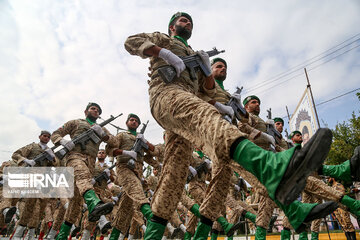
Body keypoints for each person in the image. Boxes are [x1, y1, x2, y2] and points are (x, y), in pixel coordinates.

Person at [124, 12, 333, 239]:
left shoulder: (195, 54)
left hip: (183, 109)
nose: (187, 23)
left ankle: (153, 235)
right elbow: (131, 42)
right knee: (206, 116)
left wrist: (205, 69)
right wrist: (161, 52)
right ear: (172, 26)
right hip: (166, 94)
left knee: (174, 179)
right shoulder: (164, 39)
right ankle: (269, 165)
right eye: (183, 21)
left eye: (190, 22)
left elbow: (209, 91)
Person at [51, 102, 116, 240]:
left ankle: (61, 236)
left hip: (91, 163)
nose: (96, 111)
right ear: (86, 111)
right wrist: (62, 141)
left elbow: (114, 142)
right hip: (74, 156)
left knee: (75, 204)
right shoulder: (75, 122)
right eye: (93, 108)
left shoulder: (101, 127)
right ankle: (94, 203)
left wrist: (103, 135)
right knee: (82, 175)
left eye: (98, 110)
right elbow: (56, 134)